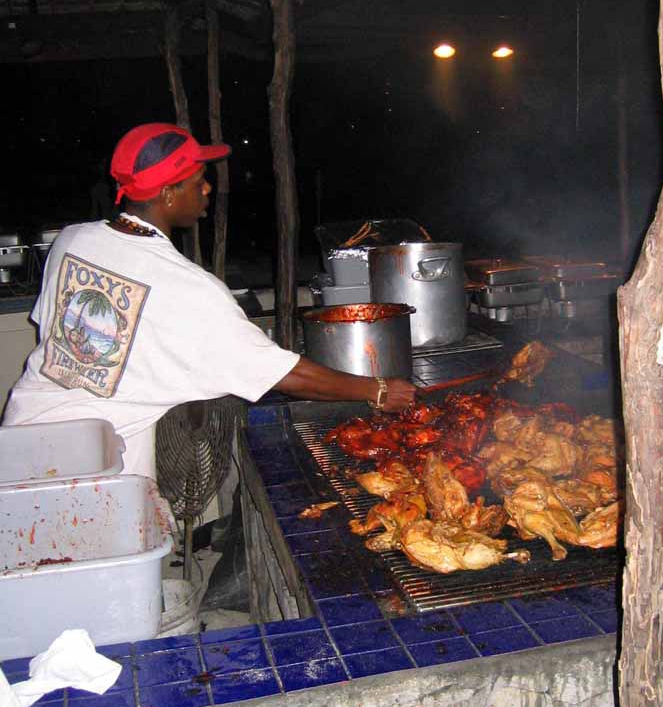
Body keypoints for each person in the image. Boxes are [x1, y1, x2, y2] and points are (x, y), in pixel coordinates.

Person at [2, 122, 416, 477]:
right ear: (166, 193)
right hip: (94, 476)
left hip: (19, 444)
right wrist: (376, 388)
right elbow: (283, 375)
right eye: (197, 180)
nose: (206, 188)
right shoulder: (188, 289)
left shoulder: (72, 240)